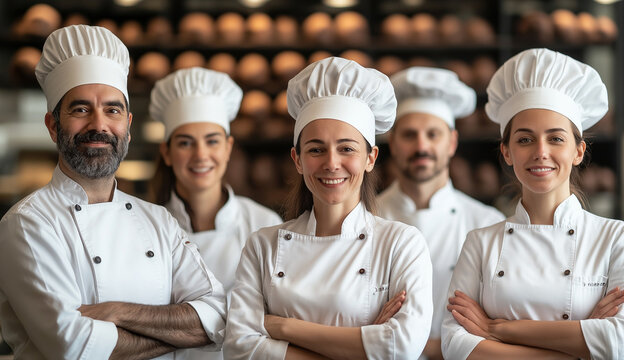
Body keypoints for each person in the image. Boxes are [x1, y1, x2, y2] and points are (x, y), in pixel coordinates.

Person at [0, 25, 227, 359]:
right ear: (52, 125)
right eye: (80, 109)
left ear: (128, 127)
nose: (99, 125)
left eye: (112, 109)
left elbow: (218, 316)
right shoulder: (27, 224)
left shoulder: (158, 220)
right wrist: (181, 335)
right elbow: (74, 346)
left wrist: (118, 311)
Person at [224, 56, 433, 359]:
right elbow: (239, 348)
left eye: (347, 148)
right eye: (316, 150)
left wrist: (282, 328)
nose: (332, 163)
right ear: (297, 159)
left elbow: (402, 346)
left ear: (370, 158)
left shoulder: (401, 243)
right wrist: (361, 345)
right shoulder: (262, 246)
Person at [441, 48, 624, 359]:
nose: (540, 152)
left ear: (578, 151)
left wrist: (498, 330)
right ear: (507, 152)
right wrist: (577, 346)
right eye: (524, 139)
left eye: (556, 138)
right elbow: (455, 345)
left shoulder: (618, 238)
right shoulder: (480, 242)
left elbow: (619, 340)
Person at [148, 67, 283, 360]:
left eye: (212, 141)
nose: (200, 155)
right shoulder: (146, 227)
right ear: (167, 152)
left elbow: (278, 321)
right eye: (185, 142)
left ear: (228, 148)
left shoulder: (265, 226)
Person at [378, 67, 505, 359]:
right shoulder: (366, 219)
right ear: (393, 142)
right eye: (410, 135)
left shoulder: (487, 223)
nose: (422, 146)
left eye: (432, 134)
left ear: (451, 143)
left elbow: (498, 321)